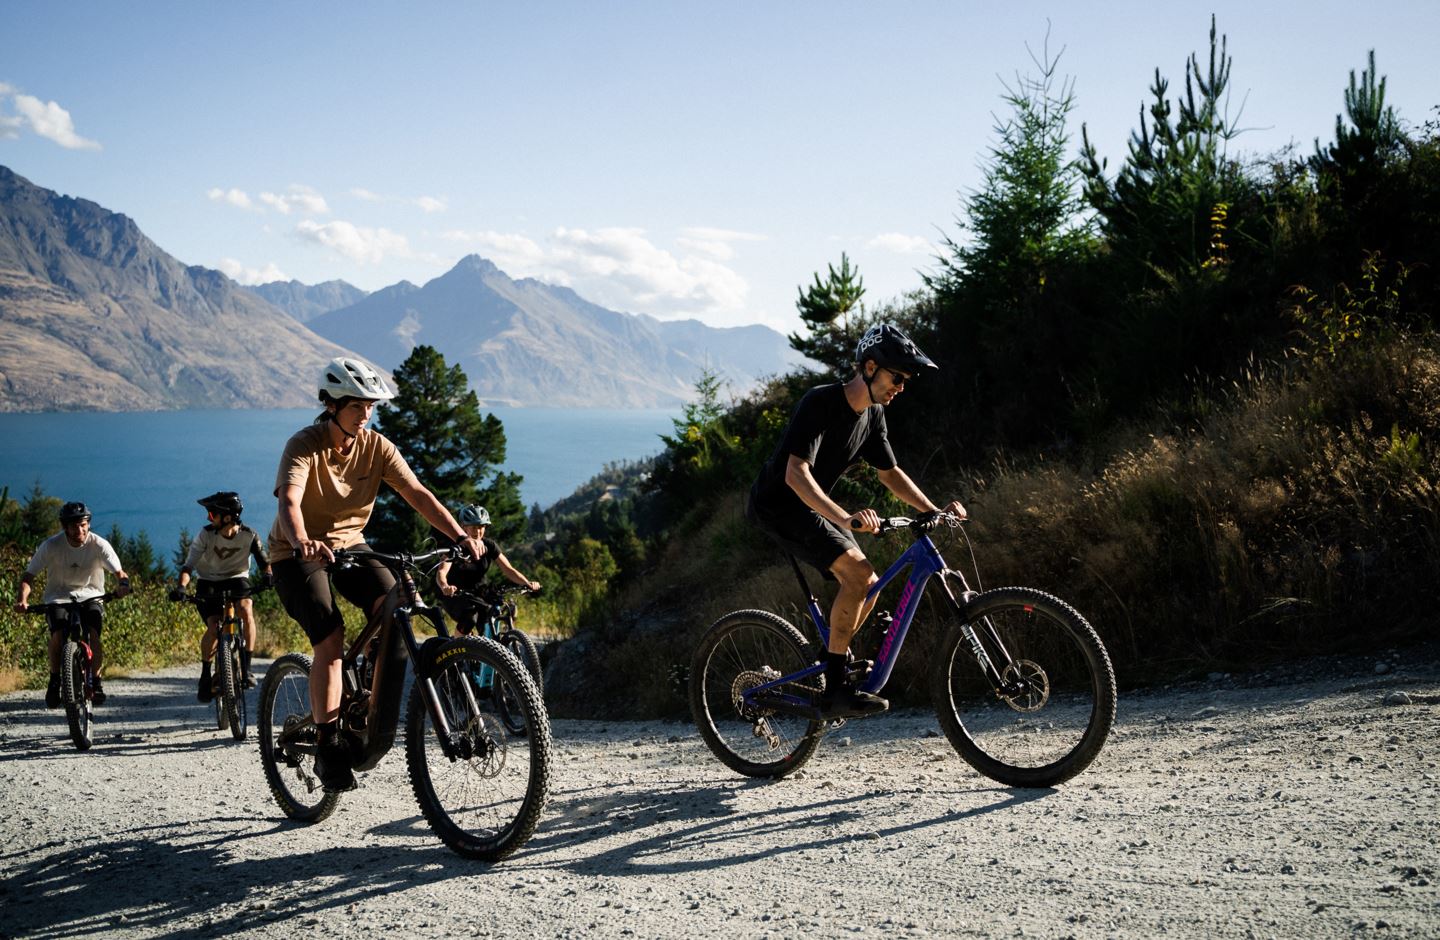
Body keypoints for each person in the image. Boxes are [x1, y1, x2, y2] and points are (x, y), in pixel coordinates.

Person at [269, 356, 486, 793]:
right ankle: (328, 745)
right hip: (296, 552)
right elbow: (290, 502)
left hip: (351, 544)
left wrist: (460, 535)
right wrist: (302, 541)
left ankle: (367, 691)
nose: (366, 414)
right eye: (357, 406)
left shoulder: (377, 446)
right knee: (329, 637)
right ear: (331, 405)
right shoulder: (304, 444)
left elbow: (417, 493)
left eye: (371, 406)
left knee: (397, 605)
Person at [747, 323, 967, 718]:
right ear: (869, 368)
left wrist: (931, 510)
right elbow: (796, 473)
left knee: (869, 583)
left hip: (809, 507)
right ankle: (835, 688)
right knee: (858, 573)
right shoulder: (821, 402)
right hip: (777, 504)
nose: (901, 387)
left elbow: (890, 473)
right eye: (896, 377)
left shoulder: (874, 416)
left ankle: (833, 665)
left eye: (906, 381)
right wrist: (845, 518)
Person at [13, 502, 132, 708]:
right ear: (65, 527)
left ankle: (96, 682)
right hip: (58, 597)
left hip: (92, 596)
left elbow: (120, 573)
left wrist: (123, 585)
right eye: (75, 526)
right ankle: (55, 680)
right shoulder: (51, 546)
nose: (80, 530)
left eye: (84, 524)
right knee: (58, 635)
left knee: (93, 635)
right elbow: (28, 577)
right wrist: (22, 600)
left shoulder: (99, 544)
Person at [170, 491, 272, 696]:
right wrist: (181, 588)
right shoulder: (205, 535)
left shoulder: (249, 535)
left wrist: (269, 576)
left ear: (226, 517)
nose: (209, 519)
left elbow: (264, 563)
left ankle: (247, 668)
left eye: (211, 515)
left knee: (245, 608)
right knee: (215, 626)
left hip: (237, 578)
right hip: (208, 581)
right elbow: (188, 567)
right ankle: (206, 674)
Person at [433, 504, 541, 634]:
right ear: (463, 527)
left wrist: (527, 583)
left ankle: (486, 648)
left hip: (479, 593)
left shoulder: (489, 545)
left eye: (481, 527)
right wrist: (445, 586)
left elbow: (508, 569)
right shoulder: (455, 546)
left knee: (495, 610)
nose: (478, 531)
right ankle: (456, 650)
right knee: (469, 618)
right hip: (454, 593)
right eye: (473, 527)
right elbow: (442, 571)